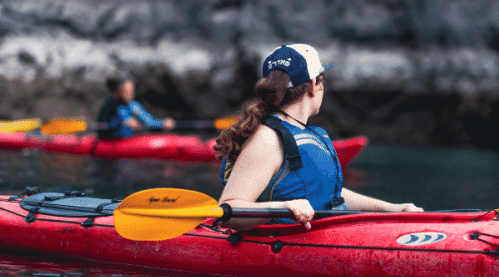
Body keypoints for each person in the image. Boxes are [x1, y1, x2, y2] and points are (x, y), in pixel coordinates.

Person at [215, 43, 422, 231]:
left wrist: (391, 209)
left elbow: (331, 193)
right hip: (284, 246)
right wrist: (283, 207)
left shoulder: (307, 133)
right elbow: (229, 209)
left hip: (330, 235)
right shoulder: (268, 139)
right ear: (313, 84)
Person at [96, 77, 175, 139]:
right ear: (116, 92)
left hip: (130, 140)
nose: (130, 94)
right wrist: (121, 124)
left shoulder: (134, 106)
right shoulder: (109, 105)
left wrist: (162, 124)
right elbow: (101, 128)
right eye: (126, 91)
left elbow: (149, 121)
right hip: (112, 141)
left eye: (132, 90)